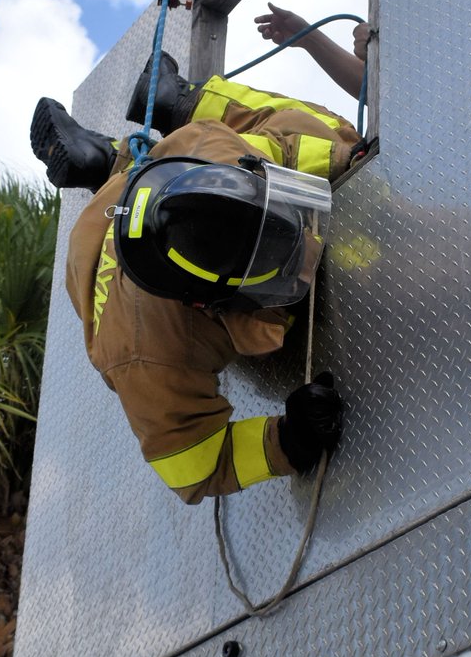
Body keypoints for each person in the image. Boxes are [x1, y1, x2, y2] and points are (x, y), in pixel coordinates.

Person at [31, 36, 365, 505]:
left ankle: (143, 131)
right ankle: (113, 156)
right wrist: (288, 440)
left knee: (337, 134)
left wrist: (345, 158)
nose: (302, 258)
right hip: (91, 247)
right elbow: (194, 464)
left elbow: (293, 150)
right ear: (203, 301)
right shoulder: (145, 356)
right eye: (271, 271)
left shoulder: (217, 150)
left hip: (162, 172)